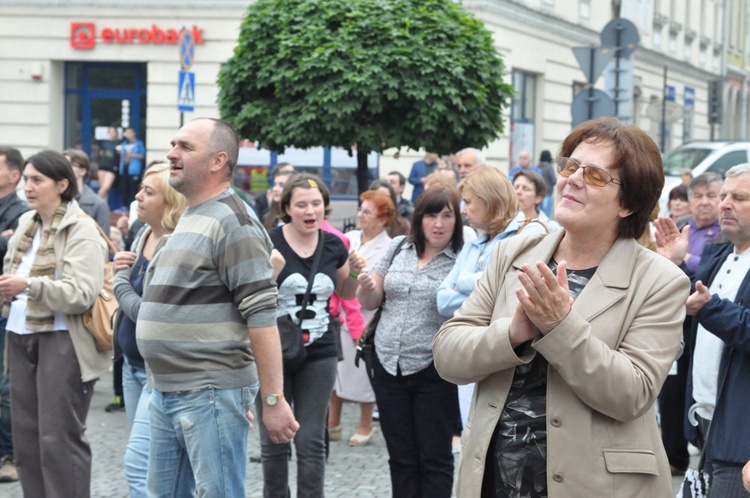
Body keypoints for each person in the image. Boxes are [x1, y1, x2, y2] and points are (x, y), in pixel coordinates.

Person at [433, 118, 690, 497]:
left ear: (630, 203)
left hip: (598, 487)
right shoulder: (512, 253)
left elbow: (632, 394)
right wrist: (514, 333)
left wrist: (560, 326)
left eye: (596, 176)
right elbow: (448, 354)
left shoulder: (660, 280)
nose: (573, 178)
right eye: (571, 166)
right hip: (494, 480)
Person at [137, 118, 298, 496]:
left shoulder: (234, 221)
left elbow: (261, 318)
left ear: (217, 160)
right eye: (173, 143)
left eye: (185, 147)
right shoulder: (193, 214)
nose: (171, 153)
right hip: (166, 389)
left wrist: (273, 400)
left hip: (209, 391)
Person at [0, 149, 110, 498]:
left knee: (58, 438)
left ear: (62, 184)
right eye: (27, 179)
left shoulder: (81, 229)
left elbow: (81, 293)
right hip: (20, 335)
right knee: (27, 439)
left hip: (62, 340)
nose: (28, 187)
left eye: (37, 180)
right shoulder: (26, 229)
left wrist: (28, 285)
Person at [357, 186, 463, 498]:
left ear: (457, 220)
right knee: (401, 457)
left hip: (434, 369)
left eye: (447, 215)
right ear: (419, 218)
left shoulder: (461, 258)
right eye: (431, 215)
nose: (439, 223)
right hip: (388, 365)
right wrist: (365, 285)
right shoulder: (400, 247)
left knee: (434, 458)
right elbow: (372, 299)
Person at [259, 172, 359, 497]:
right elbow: (249, 297)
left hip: (320, 350)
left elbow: (345, 290)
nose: (310, 210)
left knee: (310, 438)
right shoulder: (268, 242)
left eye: (316, 203)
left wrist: (357, 271)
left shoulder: (333, 245)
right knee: (274, 438)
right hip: (274, 349)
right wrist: (271, 271)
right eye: (301, 204)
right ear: (286, 208)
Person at [655, 163, 750, 497]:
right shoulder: (720, 254)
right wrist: (676, 265)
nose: (724, 203)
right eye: (723, 195)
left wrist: (712, 308)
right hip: (706, 421)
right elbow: (695, 301)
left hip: (741, 438)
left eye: (738, 197)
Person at [436, 167, 546, 426]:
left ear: (489, 200)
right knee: (471, 429)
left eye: (468, 202)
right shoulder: (475, 242)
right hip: (470, 345)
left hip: (506, 353)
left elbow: (510, 293)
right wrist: (485, 285)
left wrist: (464, 282)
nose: (463, 210)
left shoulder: (529, 233)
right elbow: (441, 299)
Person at [112, 163, 186, 497]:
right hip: (133, 367)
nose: (138, 196)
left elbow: (149, 313)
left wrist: (119, 281)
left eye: (148, 192)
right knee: (160, 466)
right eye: (141, 189)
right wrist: (122, 266)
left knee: (139, 464)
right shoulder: (143, 234)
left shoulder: (175, 245)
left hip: (162, 373)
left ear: (169, 203)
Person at [657, 172, 724, 476]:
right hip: (677, 318)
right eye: (698, 196)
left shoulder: (727, 231)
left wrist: (686, 259)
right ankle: (673, 455)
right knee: (670, 391)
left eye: (712, 195)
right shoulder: (682, 225)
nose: (705, 202)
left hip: (711, 321)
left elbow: (701, 269)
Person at [329, 190, 396, 447]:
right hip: (339, 314)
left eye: (367, 212)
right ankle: (333, 422)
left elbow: (377, 281)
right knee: (337, 372)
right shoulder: (349, 237)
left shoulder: (388, 246)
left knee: (362, 374)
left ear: (382, 219)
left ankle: (365, 424)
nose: (360, 215)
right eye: (361, 209)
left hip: (365, 316)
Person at [0, 146, 28, 484]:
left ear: (13, 175)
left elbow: (13, 248)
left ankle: (7, 454)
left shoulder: (19, 211)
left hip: (6, 311)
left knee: (5, 385)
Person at [64, 149, 111, 234]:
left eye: (69, 165)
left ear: (82, 171)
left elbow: (103, 242)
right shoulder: (53, 200)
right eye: (62, 165)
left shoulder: (98, 205)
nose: (64, 169)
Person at [119, 127, 146, 209]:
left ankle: (134, 206)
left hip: (134, 169)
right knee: (124, 187)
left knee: (133, 188)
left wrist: (132, 155)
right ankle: (124, 206)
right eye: (126, 133)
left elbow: (142, 155)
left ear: (134, 133)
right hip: (125, 168)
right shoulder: (123, 144)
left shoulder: (138, 143)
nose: (128, 135)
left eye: (129, 133)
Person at [97, 126, 120, 202]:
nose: (112, 133)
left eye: (114, 131)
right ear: (108, 133)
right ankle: (104, 209)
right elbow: (100, 154)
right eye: (110, 131)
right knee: (104, 190)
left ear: (116, 133)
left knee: (105, 187)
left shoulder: (119, 143)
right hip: (102, 166)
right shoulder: (104, 143)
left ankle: (95, 204)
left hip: (112, 167)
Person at [537, 150, 557, 217]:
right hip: (548, 194)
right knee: (546, 215)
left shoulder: (537, 167)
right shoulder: (549, 167)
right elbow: (554, 180)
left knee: (539, 214)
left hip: (538, 194)